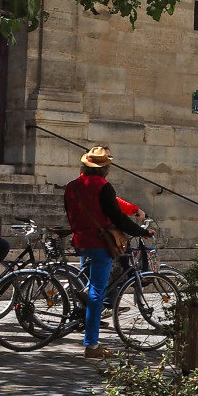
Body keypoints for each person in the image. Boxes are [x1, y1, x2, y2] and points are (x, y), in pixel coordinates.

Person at [63, 146, 148, 359]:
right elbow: (118, 218)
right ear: (105, 168)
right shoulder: (104, 187)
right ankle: (91, 345)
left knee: (94, 285)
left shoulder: (71, 186)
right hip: (101, 243)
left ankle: (84, 292)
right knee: (97, 294)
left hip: (80, 240)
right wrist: (141, 231)